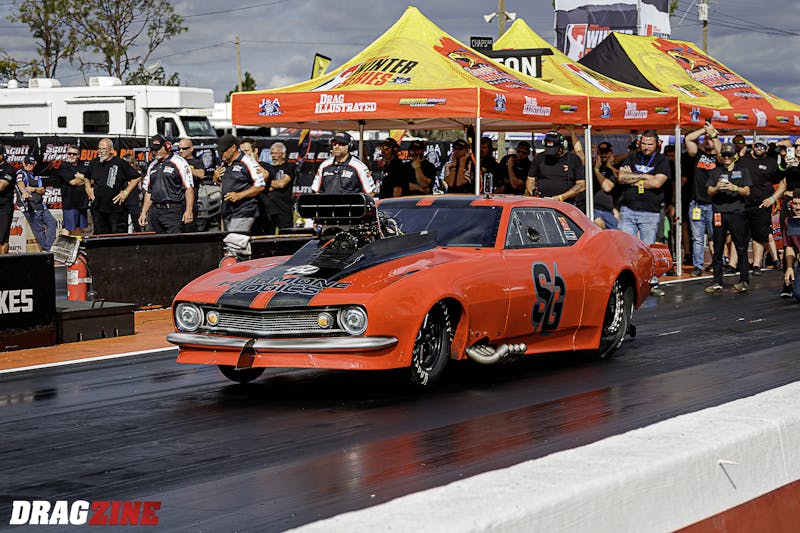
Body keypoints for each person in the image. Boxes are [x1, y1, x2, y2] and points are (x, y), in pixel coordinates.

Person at [704, 142, 752, 294]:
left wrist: (734, 187)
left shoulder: (743, 171)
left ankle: (744, 280)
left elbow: (747, 191)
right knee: (718, 248)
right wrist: (717, 188)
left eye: (729, 155)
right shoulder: (716, 171)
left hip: (737, 213)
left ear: (735, 156)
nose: (726, 157)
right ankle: (717, 281)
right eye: (724, 155)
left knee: (741, 247)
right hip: (719, 212)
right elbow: (709, 191)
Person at [738, 136, 784, 275]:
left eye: (763, 147)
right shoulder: (743, 159)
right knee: (740, 235)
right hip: (742, 203)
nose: (760, 148)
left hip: (762, 204)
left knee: (760, 235)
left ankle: (757, 265)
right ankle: (737, 264)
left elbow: (782, 181)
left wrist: (772, 198)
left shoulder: (771, 162)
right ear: (753, 146)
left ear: (767, 148)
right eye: (757, 145)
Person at [139, 135, 194, 234]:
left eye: (157, 149)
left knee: (173, 240)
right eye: (152, 149)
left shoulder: (179, 162)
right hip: (155, 211)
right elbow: (149, 191)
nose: (154, 152)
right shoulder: (152, 166)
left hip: (173, 210)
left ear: (167, 147)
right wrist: (143, 212)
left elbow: (188, 188)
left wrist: (189, 210)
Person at [85, 138, 141, 234]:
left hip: (116, 209)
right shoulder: (94, 163)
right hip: (98, 208)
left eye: (104, 149)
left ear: (111, 150)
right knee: (100, 236)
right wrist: (88, 189)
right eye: (99, 149)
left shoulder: (120, 163)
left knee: (117, 236)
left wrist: (125, 192)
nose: (101, 151)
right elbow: (86, 177)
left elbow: (137, 177)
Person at [684, 124, 719, 276]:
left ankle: (718, 263)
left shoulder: (720, 157)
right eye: (705, 139)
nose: (707, 141)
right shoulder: (697, 153)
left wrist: (713, 135)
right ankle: (697, 266)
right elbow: (688, 139)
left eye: (710, 139)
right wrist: (705, 130)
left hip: (713, 204)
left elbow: (720, 152)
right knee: (697, 238)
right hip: (696, 203)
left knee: (715, 236)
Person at [211, 133, 265, 233]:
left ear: (233, 147)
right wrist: (216, 178)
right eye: (220, 151)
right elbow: (224, 185)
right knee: (230, 239)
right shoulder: (224, 164)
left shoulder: (247, 161)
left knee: (234, 239)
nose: (221, 154)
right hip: (227, 210)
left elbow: (260, 185)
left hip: (243, 210)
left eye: (224, 150)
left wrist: (240, 195)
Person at [526, 131, 585, 203]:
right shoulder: (539, 158)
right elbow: (530, 180)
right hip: (542, 202)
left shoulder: (574, 159)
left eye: (554, 150)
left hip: (565, 203)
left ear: (563, 145)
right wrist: (534, 193)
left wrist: (561, 197)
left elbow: (581, 185)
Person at [16, 155, 58, 251]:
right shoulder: (21, 173)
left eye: (31, 163)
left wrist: (33, 189)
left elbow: (42, 190)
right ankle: (48, 250)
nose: (28, 165)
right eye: (27, 163)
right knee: (39, 229)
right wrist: (24, 192)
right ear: (23, 163)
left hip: (41, 206)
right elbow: (20, 184)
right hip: (29, 207)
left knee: (52, 222)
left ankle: (48, 249)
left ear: (34, 164)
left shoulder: (36, 175)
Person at [57, 145, 91, 236]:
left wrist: (82, 178)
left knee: (78, 228)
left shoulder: (83, 166)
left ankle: (76, 244)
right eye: (69, 153)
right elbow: (73, 182)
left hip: (82, 204)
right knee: (68, 228)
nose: (71, 155)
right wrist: (85, 179)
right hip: (70, 204)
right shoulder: (63, 166)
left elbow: (91, 180)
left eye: (74, 154)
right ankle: (63, 245)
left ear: (79, 155)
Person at [264, 142, 296, 232]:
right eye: (272, 153)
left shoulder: (289, 166)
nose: (274, 156)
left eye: (276, 153)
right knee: (267, 236)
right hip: (268, 209)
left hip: (283, 208)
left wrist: (267, 184)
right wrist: (273, 184)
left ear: (283, 154)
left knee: (286, 235)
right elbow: (261, 184)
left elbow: (282, 184)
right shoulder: (267, 168)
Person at [177, 138, 207, 233]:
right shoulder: (176, 162)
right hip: (176, 202)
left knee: (189, 229)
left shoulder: (197, 162)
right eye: (179, 148)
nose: (181, 151)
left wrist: (186, 168)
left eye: (184, 148)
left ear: (191, 149)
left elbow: (201, 174)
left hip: (190, 202)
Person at [591, 141, 619, 229]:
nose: (603, 155)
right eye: (601, 152)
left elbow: (607, 187)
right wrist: (596, 168)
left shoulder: (613, 169)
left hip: (610, 210)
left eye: (606, 152)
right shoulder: (590, 167)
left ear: (611, 153)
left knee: (617, 234)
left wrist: (609, 166)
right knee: (598, 224)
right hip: (595, 208)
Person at [780, 189, 800, 298]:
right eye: (795, 204)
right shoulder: (789, 222)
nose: (797, 208)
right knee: (798, 294)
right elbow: (789, 247)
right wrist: (789, 267)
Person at [0, 144, 18, 254]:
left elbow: (1, 186)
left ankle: (3, 263)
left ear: (2, 155)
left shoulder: (9, 169)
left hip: (3, 208)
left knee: (2, 239)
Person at [121, 154, 144, 232]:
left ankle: (140, 237)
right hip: (123, 200)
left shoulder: (137, 172)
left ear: (131, 163)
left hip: (133, 200)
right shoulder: (122, 173)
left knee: (136, 223)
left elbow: (139, 186)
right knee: (123, 224)